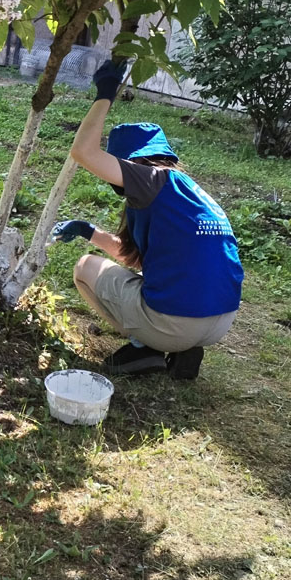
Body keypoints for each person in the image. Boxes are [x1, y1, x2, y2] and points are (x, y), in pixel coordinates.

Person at [51, 60, 243, 380]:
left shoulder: (150, 180)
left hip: (175, 322)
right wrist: (90, 231)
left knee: (84, 268)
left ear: (129, 163)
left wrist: (105, 92)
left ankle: (145, 347)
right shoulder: (188, 191)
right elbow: (135, 259)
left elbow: (84, 151)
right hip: (221, 320)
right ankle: (181, 349)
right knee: (130, 277)